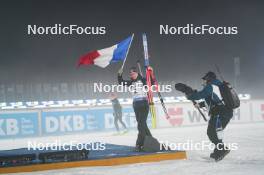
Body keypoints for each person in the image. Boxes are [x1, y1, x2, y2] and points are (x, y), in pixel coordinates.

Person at [187, 71, 233, 161]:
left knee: (212, 132)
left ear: (208, 79)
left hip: (219, 112)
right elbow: (214, 100)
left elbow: (200, 95)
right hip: (226, 112)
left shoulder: (210, 86)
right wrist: (200, 105)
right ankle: (218, 151)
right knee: (216, 133)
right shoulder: (219, 85)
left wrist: (190, 95)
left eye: (204, 79)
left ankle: (222, 149)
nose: (203, 81)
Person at [118, 66, 153, 151]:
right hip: (136, 105)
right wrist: (119, 75)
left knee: (140, 124)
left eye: (133, 73)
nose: (132, 75)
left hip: (144, 104)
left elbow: (151, 81)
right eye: (130, 74)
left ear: (137, 73)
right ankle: (151, 141)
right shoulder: (130, 83)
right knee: (142, 124)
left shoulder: (143, 80)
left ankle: (139, 144)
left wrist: (151, 72)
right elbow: (121, 83)